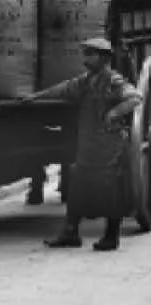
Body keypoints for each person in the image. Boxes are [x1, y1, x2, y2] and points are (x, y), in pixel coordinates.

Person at [27, 36, 143, 251]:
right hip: (89, 145)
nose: (85, 58)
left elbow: (135, 97)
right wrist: (36, 97)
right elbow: (63, 88)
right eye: (86, 54)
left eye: (90, 54)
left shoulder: (113, 80)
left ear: (104, 58)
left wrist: (113, 114)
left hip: (108, 145)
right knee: (77, 186)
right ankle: (70, 233)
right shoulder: (87, 80)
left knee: (110, 190)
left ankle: (111, 237)